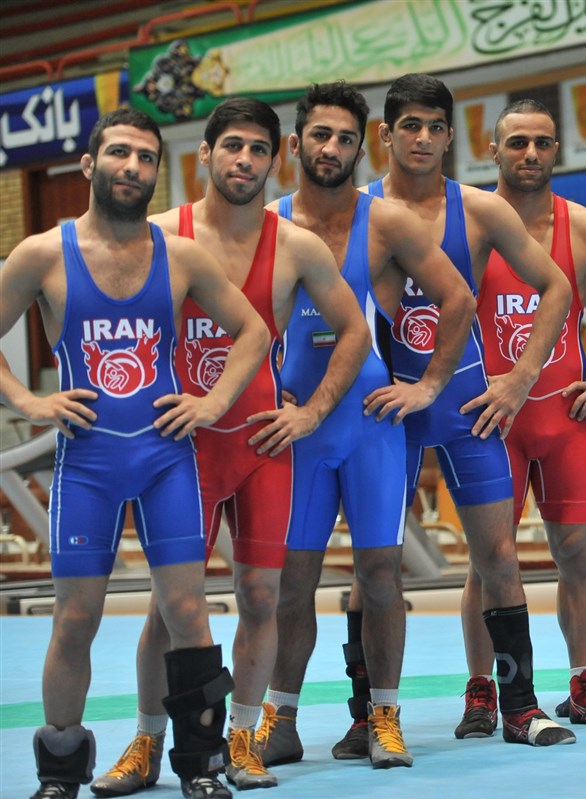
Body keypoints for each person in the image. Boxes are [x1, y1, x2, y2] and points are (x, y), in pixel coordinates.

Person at [90, 98, 371, 795]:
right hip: (180, 449)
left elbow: (355, 330)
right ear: (205, 155)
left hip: (260, 443)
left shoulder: (296, 245)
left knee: (260, 595)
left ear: (275, 160)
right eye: (232, 146)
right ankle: (147, 741)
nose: (244, 160)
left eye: (258, 149)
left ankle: (242, 736)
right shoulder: (161, 235)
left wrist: (311, 412)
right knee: (170, 605)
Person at [1, 109, 270, 799]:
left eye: (147, 158)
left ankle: (201, 764)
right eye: (120, 153)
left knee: (187, 610)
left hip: (164, 460)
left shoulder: (180, 256)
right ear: (89, 165)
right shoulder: (41, 254)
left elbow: (253, 332)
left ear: (157, 172)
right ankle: (60, 772)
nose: (133, 167)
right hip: (86, 466)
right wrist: (29, 402)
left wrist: (211, 403)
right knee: (75, 618)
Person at [252, 81, 475, 768]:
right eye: (321, 135)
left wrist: (428, 385)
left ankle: (384, 717)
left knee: (381, 574)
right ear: (295, 145)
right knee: (292, 581)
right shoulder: (266, 222)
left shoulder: (385, 222)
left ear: (361, 147)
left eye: (346, 138)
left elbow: (459, 298)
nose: (332, 148)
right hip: (296, 428)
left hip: (370, 423)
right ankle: (280, 722)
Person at [355, 74, 576, 747]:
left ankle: (521, 707)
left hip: (465, 402)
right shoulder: (356, 212)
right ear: (385, 135)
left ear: (451, 137)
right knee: (374, 566)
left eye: (434, 127)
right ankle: (367, 717)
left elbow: (556, 287)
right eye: (410, 126)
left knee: (498, 557)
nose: (423, 139)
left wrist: (520, 379)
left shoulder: (480, 210)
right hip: (383, 407)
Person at [457, 99, 586, 731]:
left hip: (563, 417)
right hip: (492, 419)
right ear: (493, 150)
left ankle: (585, 684)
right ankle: (482, 691)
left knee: (579, 552)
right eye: (517, 142)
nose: (531, 154)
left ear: (558, 151)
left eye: (542, 143)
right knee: (488, 560)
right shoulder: (464, 225)